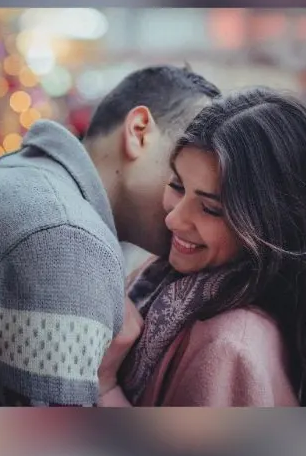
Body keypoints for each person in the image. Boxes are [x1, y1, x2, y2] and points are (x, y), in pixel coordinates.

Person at [0, 64, 219, 405]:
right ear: (139, 131)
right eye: (183, 173)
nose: (195, 200)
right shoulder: (66, 236)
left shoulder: (26, 183)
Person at [99, 88, 306, 407]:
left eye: (211, 209)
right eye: (178, 186)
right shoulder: (164, 277)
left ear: (270, 223)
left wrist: (104, 384)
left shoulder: (232, 346)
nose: (174, 220)